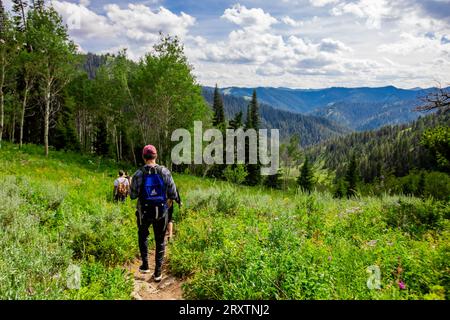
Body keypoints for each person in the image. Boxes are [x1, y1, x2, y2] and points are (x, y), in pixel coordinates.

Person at [130, 145, 178, 282]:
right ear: (156, 156)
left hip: (143, 212)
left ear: (144, 157)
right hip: (161, 212)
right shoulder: (165, 171)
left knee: (143, 235)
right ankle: (157, 273)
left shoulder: (139, 173)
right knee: (160, 240)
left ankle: (145, 265)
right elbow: (173, 194)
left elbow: (133, 195)